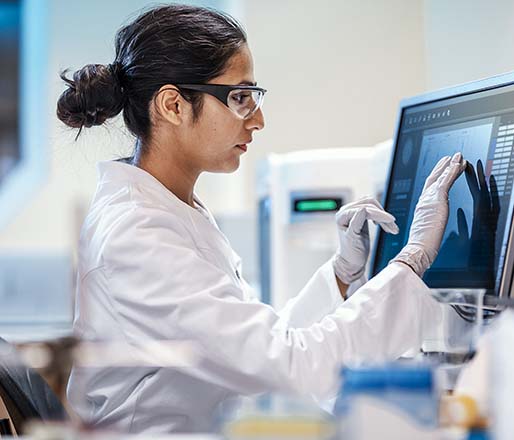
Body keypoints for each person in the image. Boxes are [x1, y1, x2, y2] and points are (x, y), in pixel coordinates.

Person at [57, 5, 466, 433]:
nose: (258, 119)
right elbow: (293, 368)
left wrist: (342, 276)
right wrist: (413, 259)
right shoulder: (136, 234)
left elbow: (260, 353)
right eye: (239, 98)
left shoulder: (170, 208)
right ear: (173, 105)